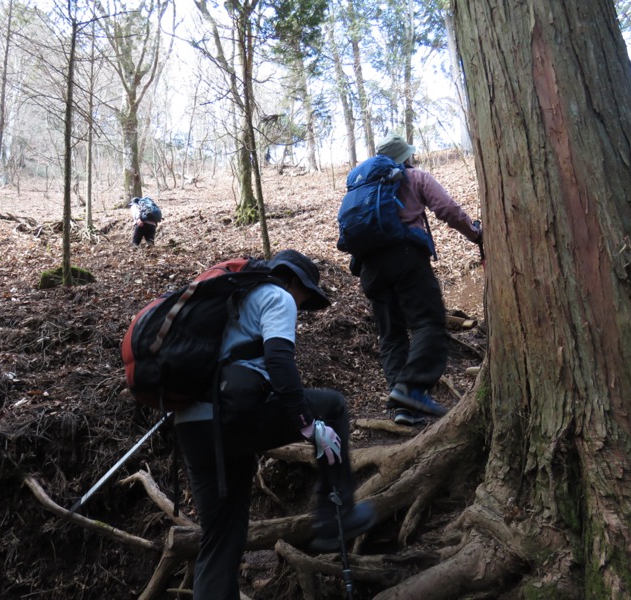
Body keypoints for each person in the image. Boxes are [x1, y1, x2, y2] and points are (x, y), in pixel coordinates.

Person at [175, 249, 376, 600]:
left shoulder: (232, 298)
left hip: (192, 425)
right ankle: (334, 516)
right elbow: (280, 364)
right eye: (306, 296)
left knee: (222, 536)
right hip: (229, 419)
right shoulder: (278, 297)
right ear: (294, 282)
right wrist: (308, 424)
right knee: (332, 407)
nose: (301, 306)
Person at [359, 134, 483, 427]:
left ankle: (403, 407)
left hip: (369, 266)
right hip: (406, 257)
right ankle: (412, 389)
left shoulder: (363, 186)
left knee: (391, 333)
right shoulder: (415, 178)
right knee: (428, 321)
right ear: (406, 158)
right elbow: (448, 210)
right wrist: (476, 234)